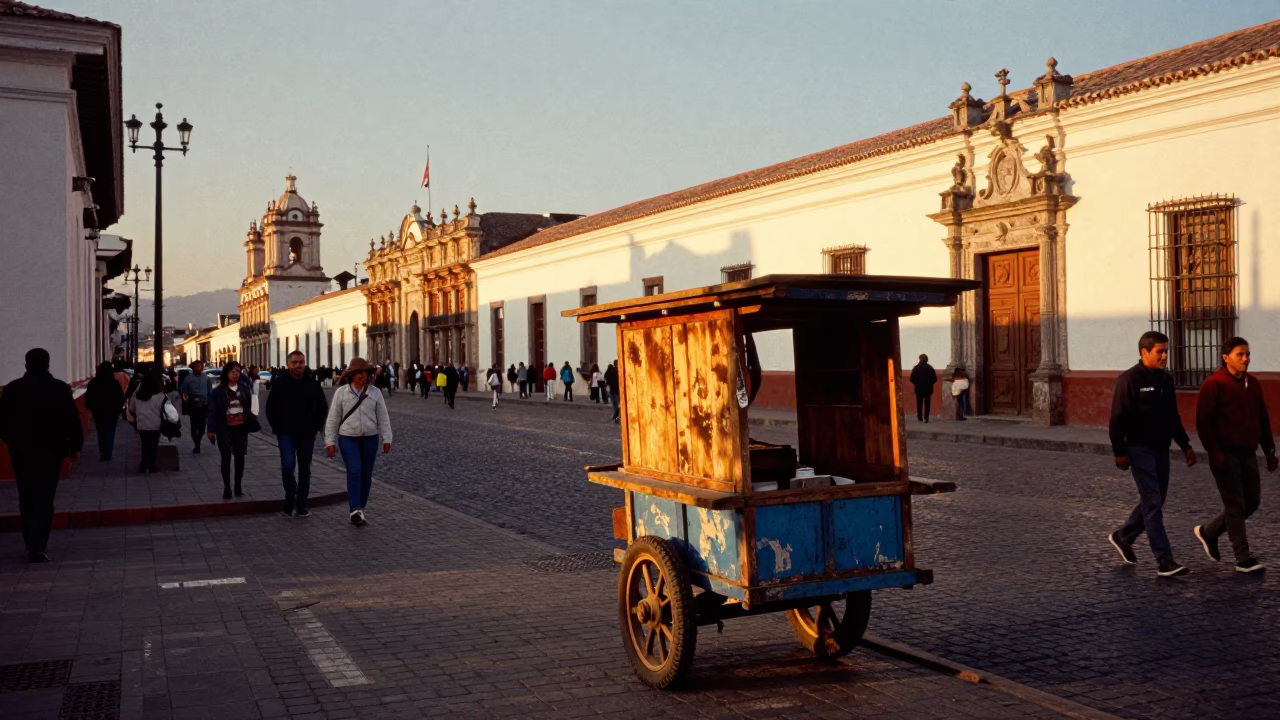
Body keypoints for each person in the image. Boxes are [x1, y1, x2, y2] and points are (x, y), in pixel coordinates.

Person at [1106, 331, 1197, 578]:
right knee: (1153, 501)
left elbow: (1172, 417)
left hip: (1161, 448)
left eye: (1167, 351)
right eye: (1160, 351)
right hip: (1138, 449)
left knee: (1155, 499)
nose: (1165, 355)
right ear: (1144, 352)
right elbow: (1116, 419)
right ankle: (1164, 560)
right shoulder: (1129, 380)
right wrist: (1119, 451)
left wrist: (1186, 445)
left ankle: (1123, 536)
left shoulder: (1166, 380)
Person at [1193, 337, 1276, 574]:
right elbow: (1203, 423)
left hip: (1248, 452)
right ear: (1225, 356)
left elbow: (1262, 418)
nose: (1245, 359)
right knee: (1235, 504)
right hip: (1225, 454)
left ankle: (1209, 532)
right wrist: (1214, 452)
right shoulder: (1214, 384)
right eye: (1240, 355)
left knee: (1252, 502)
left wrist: (1269, 450)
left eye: (1248, 354)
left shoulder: (1253, 383)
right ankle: (1243, 558)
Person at [0, 348, 83, 563]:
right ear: (48, 364)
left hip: (22, 452)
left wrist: (13, 441)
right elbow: (72, 420)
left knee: (26, 495)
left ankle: (31, 542)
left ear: (26, 365)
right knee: (45, 496)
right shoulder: (59, 389)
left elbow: (2, 423)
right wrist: (75, 446)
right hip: (51, 451)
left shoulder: (12, 389)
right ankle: (39, 544)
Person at [324, 358, 392, 526]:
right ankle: (354, 508)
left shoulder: (375, 392)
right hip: (348, 437)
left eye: (366, 373)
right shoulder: (342, 393)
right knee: (355, 471)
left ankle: (361, 506)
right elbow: (333, 418)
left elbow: (383, 417)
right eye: (360, 372)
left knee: (366, 475)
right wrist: (329, 441)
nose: (363, 376)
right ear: (352, 374)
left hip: (370, 438)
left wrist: (387, 437)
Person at [266, 351, 329, 517]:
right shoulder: (280, 383)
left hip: (306, 433)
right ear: (288, 364)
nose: (298, 365)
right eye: (294, 362)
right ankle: (290, 492)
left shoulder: (312, 384)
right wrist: (277, 426)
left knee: (304, 468)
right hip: (285, 432)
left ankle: (301, 502)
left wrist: (315, 426)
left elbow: (323, 407)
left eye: (301, 362)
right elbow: (270, 407)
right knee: (287, 465)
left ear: (305, 363)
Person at [207, 361, 255, 499]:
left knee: (240, 458)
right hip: (225, 428)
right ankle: (227, 487)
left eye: (238, 371)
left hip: (241, 428)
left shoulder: (245, 388)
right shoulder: (218, 391)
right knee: (226, 458)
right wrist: (211, 429)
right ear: (226, 373)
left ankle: (238, 486)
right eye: (232, 371)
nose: (235, 374)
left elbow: (249, 407)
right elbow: (212, 411)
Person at [127, 367, 168, 474]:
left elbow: (131, 408)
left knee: (145, 444)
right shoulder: (160, 395)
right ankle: (152, 465)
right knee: (154, 445)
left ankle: (143, 464)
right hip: (156, 424)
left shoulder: (138, 394)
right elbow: (165, 410)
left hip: (142, 423)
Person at [85, 361, 125, 461]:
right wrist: (119, 408)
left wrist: (89, 406)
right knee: (110, 431)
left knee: (100, 430)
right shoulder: (114, 382)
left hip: (98, 411)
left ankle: (103, 450)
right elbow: (120, 397)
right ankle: (108, 451)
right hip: (112, 411)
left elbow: (89, 396)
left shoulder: (93, 382)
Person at [178, 360, 213, 453]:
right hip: (193, 405)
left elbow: (210, 391)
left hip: (204, 405)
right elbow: (182, 391)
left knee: (202, 426)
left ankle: (199, 440)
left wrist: (210, 403)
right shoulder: (188, 379)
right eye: (197, 366)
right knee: (194, 425)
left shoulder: (206, 378)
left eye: (200, 366)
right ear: (193, 367)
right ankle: (196, 444)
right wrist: (186, 400)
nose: (199, 368)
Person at [909, 354, 937, 422]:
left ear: (920, 359)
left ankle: (919, 417)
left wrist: (916, 383)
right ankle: (926, 417)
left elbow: (911, 378)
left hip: (919, 388)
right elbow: (935, 379)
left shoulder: (916, 368)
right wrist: (930, 383)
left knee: (919, 402)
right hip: (928, 388)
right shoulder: (930, 368)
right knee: (927, 403)